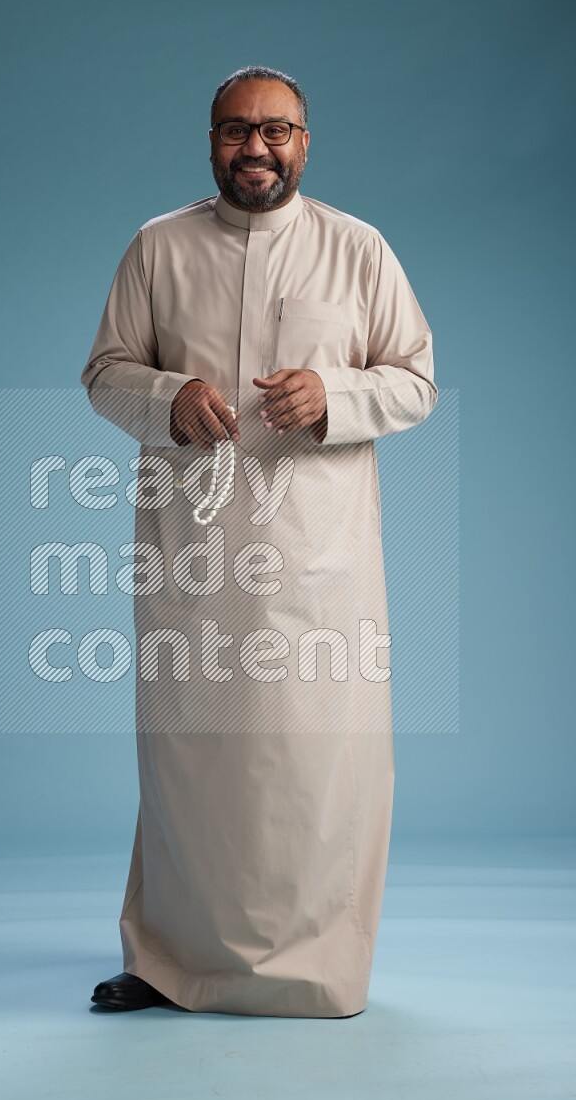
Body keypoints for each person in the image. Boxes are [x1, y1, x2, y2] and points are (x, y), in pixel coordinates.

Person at [82, 65, 437, 1017]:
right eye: (236, 130)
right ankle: (167, 960)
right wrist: (170, 396)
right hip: (192, 558)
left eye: (276, 130)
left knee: (312, 764)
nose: (256, 148)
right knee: (190, 762)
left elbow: (416, 379)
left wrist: (335, 393)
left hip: (318, 564)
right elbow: (106, 372)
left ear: (304, 143)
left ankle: (319, 966)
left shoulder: (357, 249)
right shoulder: (158, 247)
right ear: (211, 142)